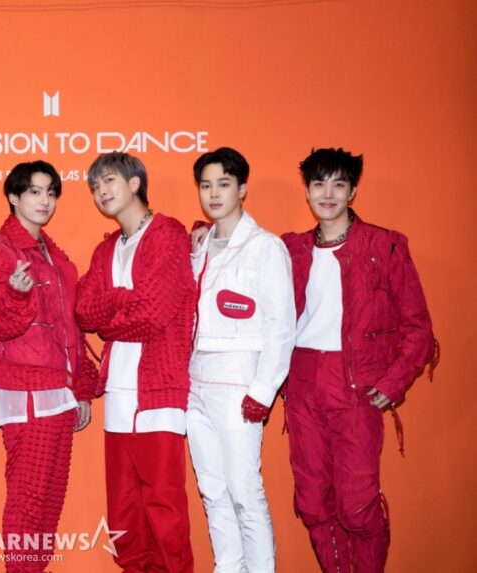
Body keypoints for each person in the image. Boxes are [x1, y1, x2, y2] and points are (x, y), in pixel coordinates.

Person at [281, 148, 438, 572]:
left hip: (355, 383)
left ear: (353, 191)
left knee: (357, 504)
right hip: (302, 383)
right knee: (313, 503)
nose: (328, 194)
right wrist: (202, 231)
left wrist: (393, 382)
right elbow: (241, 247)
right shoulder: (290, 248)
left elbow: (419, 327)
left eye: (339, 184)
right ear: (307, 192)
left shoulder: (385, 245)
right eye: (318, 184)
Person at [0, 160, 98, 572]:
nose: (44, 201)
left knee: (49, 502)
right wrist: (15, 294)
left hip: (59, 390)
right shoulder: (1, 253)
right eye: (34, 192)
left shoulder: (51, 252)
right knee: (28, 500)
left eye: (50, 192)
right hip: (26, 389)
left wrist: (80, 387)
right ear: (13, 197)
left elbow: (71, 328)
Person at [76, 151, 195, 572]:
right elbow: (84, 312)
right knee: (125, 514)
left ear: (134, 183)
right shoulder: (106, 248)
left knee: (165, 509)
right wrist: (123, 299)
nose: (101, 191)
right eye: (95, 186)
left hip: (159, 392)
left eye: (108, 180)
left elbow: (152, 314)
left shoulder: (168, 235)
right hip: (118, 395)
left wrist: (112, 312)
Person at [187, 147, 295, 573]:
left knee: (245, 492)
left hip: (239, 384)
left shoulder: (265, 247)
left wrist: (263, 390)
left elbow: (281, 325)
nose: (214, 194)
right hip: (196, 383)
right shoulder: (198, 247)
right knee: (213, 491)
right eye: (206, 185)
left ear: (243, 189)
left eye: (224, 184)